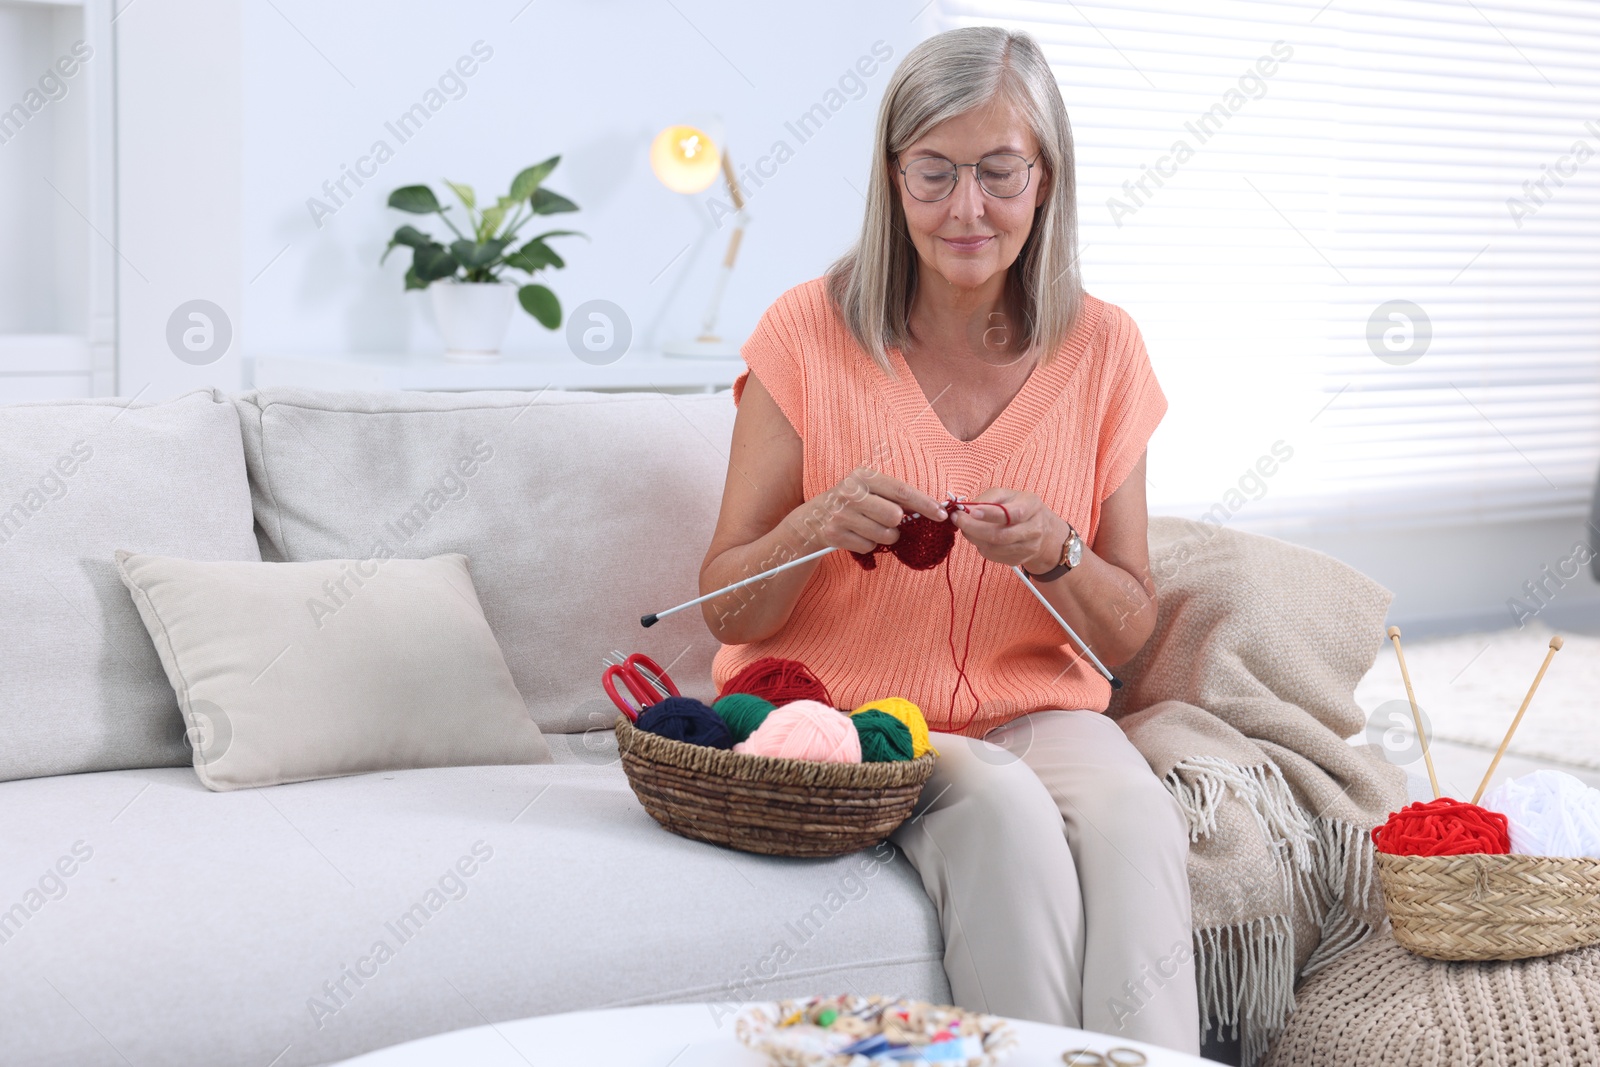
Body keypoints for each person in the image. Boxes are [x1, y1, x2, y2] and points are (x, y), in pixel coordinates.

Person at [696, 25, 1200, 1055]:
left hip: (1037, 708)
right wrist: (812, 525)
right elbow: (724, 602)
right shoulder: (805, 330)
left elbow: (1130, 629)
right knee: (1004, 818)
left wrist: (1060, 551)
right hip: (857, 719)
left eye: (997, 172)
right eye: (933, 173)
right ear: (892, 178)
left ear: (1045, 176)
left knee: (1137, 819)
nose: (965, 209)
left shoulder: (1104, 348)